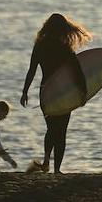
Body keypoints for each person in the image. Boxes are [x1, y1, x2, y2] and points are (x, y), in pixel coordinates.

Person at [21, 13, 91, 174]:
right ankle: (57, 169)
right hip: (64, 92)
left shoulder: (40, 46)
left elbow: (32, 70)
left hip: (46, 91)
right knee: (61, 131)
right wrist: (83, 92)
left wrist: (25, 91)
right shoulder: (64, 47)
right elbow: (77, 71)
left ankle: (46, 160)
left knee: (51, 128)